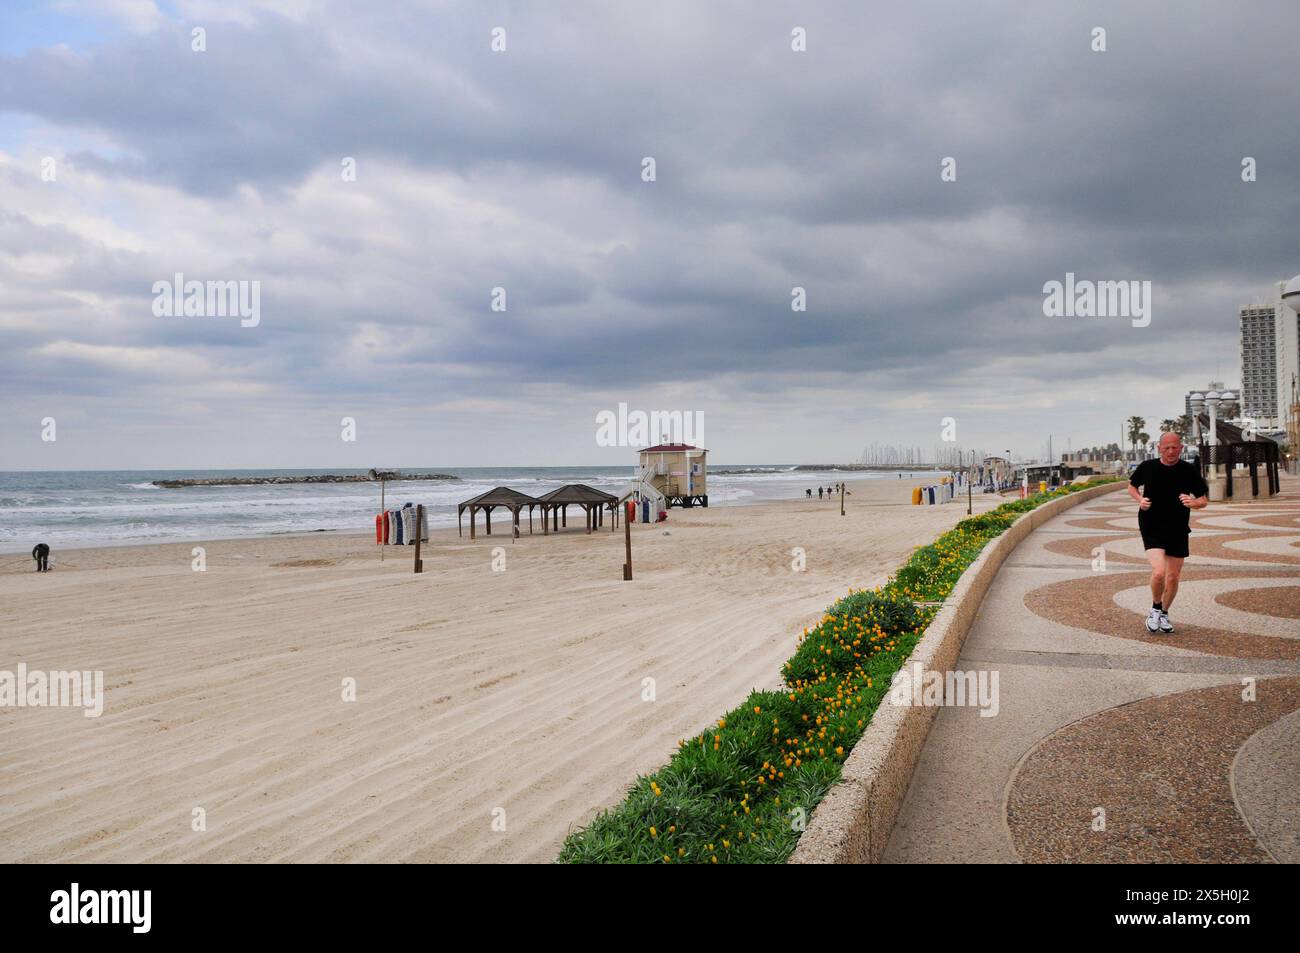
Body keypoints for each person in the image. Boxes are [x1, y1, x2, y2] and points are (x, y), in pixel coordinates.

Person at [1128, 433, 1208, 634]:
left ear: (1181, 448)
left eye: (1174, 447)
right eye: (1166, 448)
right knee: (1159, 572)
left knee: (1173, 577)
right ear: (1159, 448)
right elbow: (1131, 486)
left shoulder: (1189, 471)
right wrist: (1139, 500)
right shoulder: (1148, 467)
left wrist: (1194, 503)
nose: (1170, 451)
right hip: (1151, 524)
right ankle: (1155, 607)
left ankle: (1164, 612)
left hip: (1178, 527)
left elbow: (1203, 499)